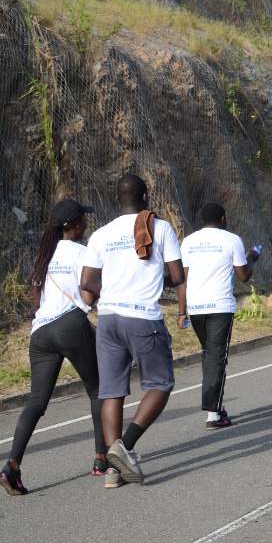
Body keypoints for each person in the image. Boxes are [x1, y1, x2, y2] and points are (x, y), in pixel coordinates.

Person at [80, 174, 185, 488]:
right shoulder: (160, 227)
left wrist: (115, 290)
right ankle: (123, 447)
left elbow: (87, 282)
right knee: (161, 384)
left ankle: (113, 472)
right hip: (141, 317)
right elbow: (178, 276)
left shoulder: (100, 234)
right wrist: (152, 282)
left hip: (108, 317)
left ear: (117, 200)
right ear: (145, 197)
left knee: (111, 391)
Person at [0, 200, 103, 495]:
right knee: (98, 390)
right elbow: (88, 295)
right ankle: (101, 459)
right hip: (71, 325)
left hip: (40, 332)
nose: (87, 224)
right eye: (84, 220)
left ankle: (11, 466)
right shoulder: (81, 253)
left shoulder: (43, 254)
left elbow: (38, 298)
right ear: (75, 225)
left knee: (36, 402)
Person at [178, 203, 259, 430]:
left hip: (196, 307)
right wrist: (251, 258)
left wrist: (181, 311)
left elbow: (182, 279)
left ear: (201, 219)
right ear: (223, 219)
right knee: (216, 357)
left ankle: (217, 405)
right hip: (220, 306)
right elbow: (244, 275)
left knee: (209, 355)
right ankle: (213, 414)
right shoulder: (232, 240)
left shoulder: (189, 242)